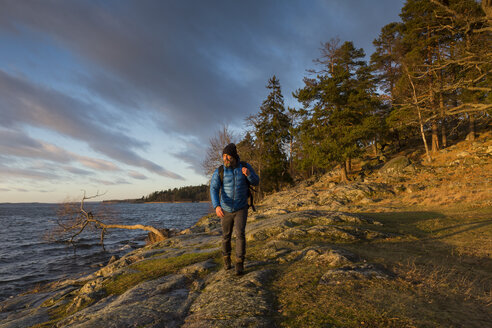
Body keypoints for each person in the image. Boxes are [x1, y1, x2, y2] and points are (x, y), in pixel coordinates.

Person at [210, 143, 259, 275]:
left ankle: (239, 263)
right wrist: (217, 206)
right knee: (226, 236)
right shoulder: (220, 171)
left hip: (241, 208)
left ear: (234, 157)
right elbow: (213, 188)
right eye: (223, 156)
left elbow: (256, 181)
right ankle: (226, 260)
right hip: (225, 209)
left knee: (240, 235)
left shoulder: (245, 167)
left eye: (228, 157)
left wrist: (248, 174)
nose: (225, 159)